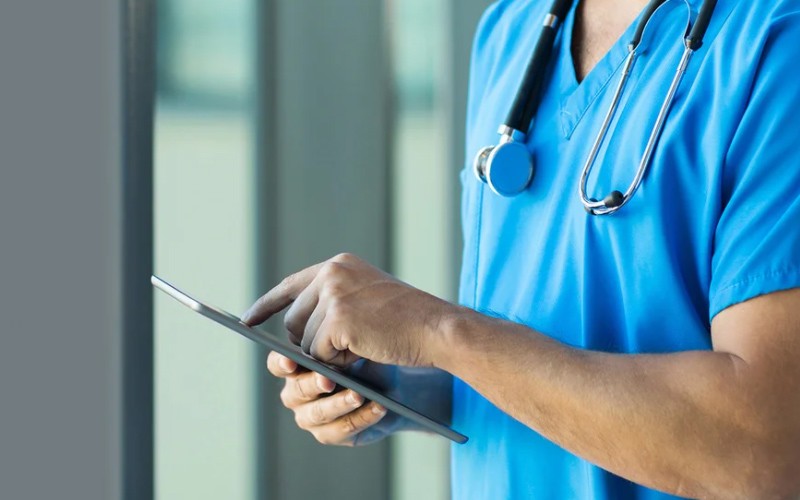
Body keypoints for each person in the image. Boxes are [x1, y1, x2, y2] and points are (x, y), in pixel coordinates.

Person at [241, 0, 800, 497]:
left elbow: (763, 447)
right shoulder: (512, 30)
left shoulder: (777, 42)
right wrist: (407, 382)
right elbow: (539, 340)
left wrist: (441, 332)